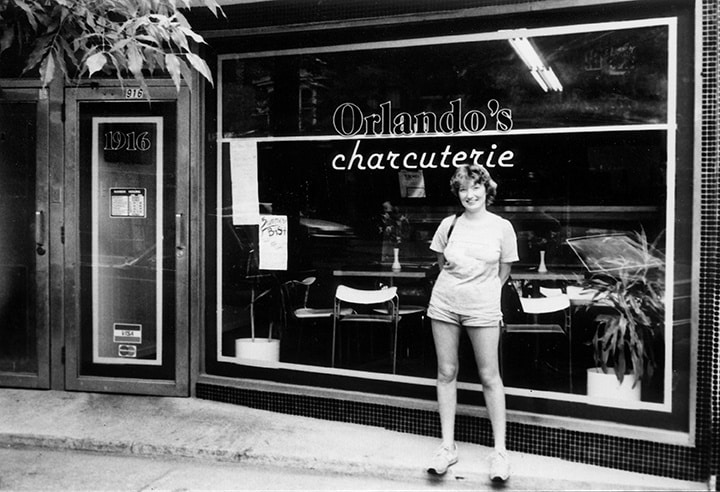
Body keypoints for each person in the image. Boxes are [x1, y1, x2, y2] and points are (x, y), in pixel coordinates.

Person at [425, 164, 518, 482]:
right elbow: (442, 263)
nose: (470, 194)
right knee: (446, 372)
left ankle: (500, 453)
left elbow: (505, 270)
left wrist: (485, 291)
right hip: (445, 304)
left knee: (490, 376)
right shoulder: (449, 225)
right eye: (463, 189)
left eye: (475, 187)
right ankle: (447, 447)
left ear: (486, 190)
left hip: (483, 308)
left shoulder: (502, 227)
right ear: (458, 193)